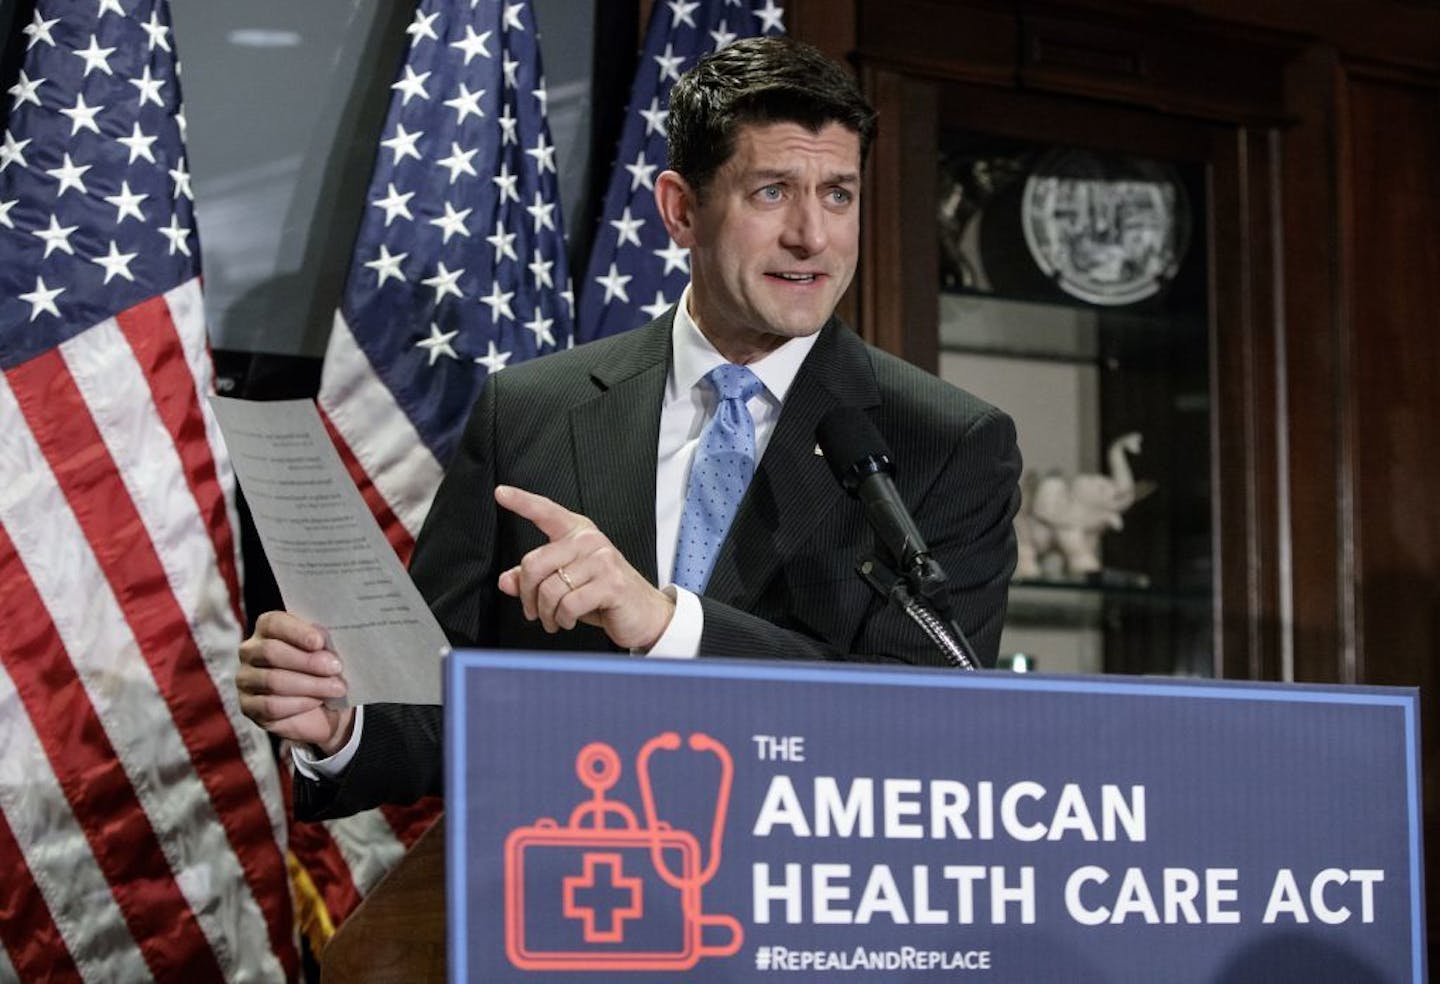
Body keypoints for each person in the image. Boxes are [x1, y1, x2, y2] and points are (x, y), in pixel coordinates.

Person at [237, 36, 1021, 820]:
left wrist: (668, 626)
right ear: (682, 209)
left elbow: (929, 726)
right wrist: (343, 727)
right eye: (773, 192)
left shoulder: (947, 444)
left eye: (839, 195)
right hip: (559, 897)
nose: (813, 237)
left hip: (802, 915)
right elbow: (444, 695)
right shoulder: (531, 411)